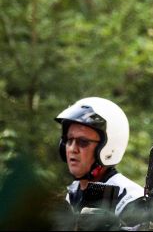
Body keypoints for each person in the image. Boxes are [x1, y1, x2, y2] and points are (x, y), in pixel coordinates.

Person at [56, 97, 145, 227]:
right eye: (69, 140)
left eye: (83, 142)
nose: (72, 149)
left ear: (108, 147)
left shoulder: (131, 199)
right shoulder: (70, 195)